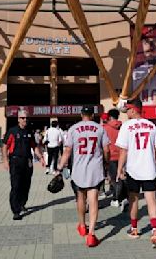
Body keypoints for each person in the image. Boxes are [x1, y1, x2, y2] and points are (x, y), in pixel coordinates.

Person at [56, 105, 110, 247]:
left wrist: (59, 167)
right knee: (93, 200)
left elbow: (67, 150)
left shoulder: (74, 129)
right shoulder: (100, 129)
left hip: (78, 170)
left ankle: (82, 225)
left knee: (80, 198)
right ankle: (91, 235)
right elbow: (106, 149)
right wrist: (107, 163)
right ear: (92, 115)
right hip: (95, 169)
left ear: (81, 115)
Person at [116, 98, 156, 248]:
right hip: (149, 168)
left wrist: (119, 169)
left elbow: (123, 150)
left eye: (128, 110)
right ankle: (155, 231)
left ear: (134, 109)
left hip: (133, 169)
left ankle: (134, 229)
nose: (127, 113)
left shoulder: (126, 126)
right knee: (151, 200)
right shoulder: (151, 126)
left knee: (133, 199)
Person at [2, 109, 45, 220]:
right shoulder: (12, 131)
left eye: (26, 118)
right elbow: (5, 146)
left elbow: (34, 146)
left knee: (26, 185)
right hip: (15, 162)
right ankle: (16, 211)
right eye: (22, 118)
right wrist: (5, 160)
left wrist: (40, 157)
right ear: (18, 119)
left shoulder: (29, 132)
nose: (25, 120)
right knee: (16, 186)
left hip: (28, 162)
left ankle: (22, 203)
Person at [103, 108, 126, 208]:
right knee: (122, 177)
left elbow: (104, 146)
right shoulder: (123, 127)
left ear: (110, 117)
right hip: (123, 156)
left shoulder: (105, 128)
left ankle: (117, 198)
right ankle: (124, 197)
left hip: (111, 157)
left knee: (114, 179)